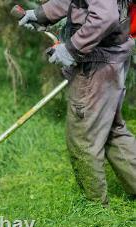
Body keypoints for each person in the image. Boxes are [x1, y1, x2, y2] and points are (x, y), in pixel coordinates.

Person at [19, 0, 136, 206]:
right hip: (112, 57)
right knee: (111, 130)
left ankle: (94, 207)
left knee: (83, 137)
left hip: (96, 63)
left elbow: (105, 16)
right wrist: (41, 14)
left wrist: (72, 48)